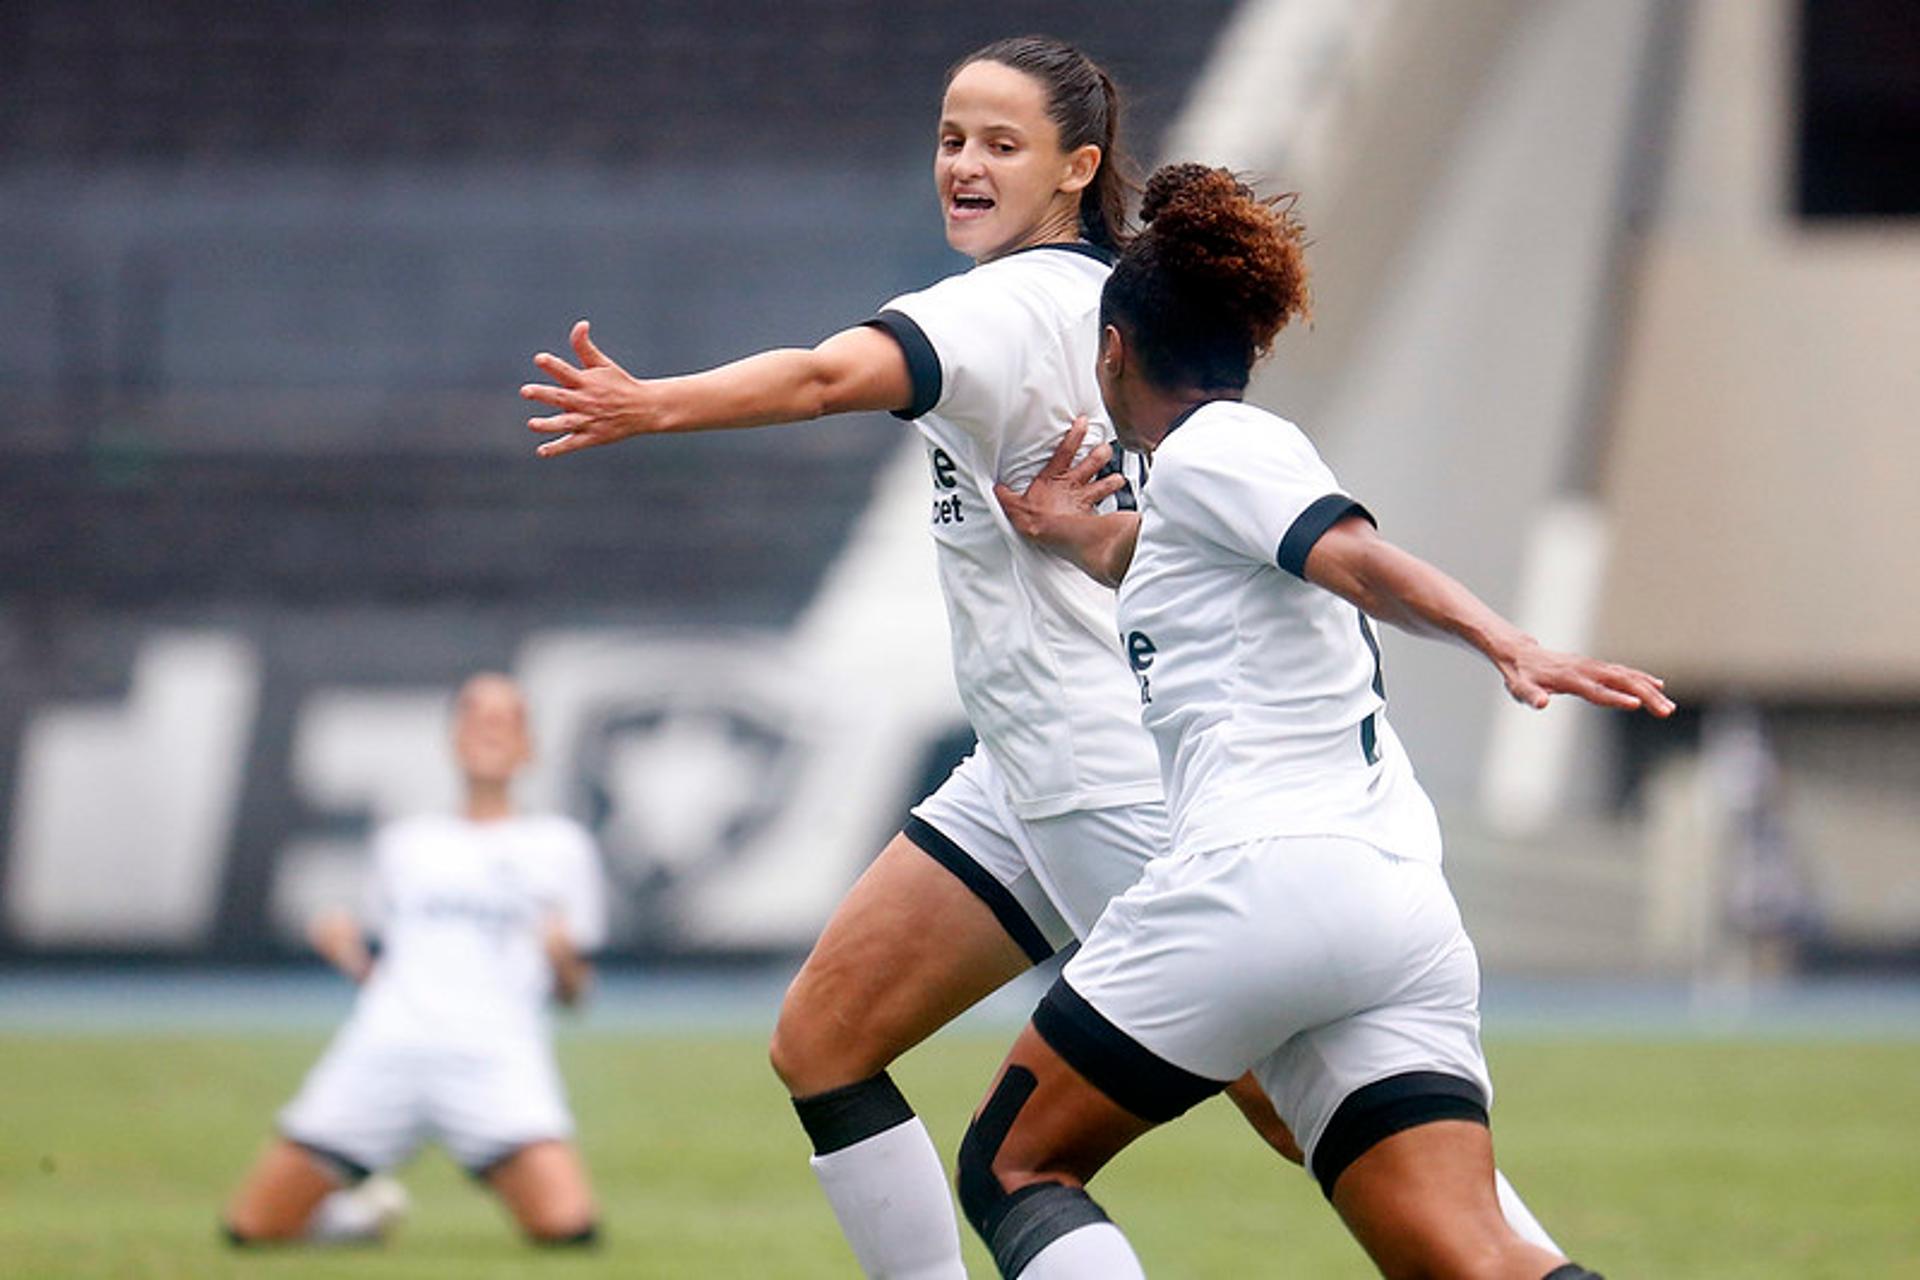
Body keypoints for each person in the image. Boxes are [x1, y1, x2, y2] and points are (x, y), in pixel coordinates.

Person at [520, 36, 1560, 1278]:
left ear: (1079, 166)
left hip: (1112, 778)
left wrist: (655, 404)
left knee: (1305, 1122)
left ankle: (1516, 1254)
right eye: (952, 138)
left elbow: (820, 378)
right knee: (826, 1037)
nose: (963, 164)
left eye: (999, 144)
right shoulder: (1117, 302)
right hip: (1026, 769)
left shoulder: (998, 305)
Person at [962, 164, 1674, 1279]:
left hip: (1259, 877)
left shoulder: (1223, 448)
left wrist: (1508, 639)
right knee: (1472, 1252)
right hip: (1392, 903)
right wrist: (1071, 532)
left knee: (1014, 1162)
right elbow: (1158, 557)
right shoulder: (1200, 499)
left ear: (1111, 354)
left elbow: (1356, 559)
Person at [222, 673, 606, 1248]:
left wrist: (561, 961)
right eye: (477, 717)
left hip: (494, 1058)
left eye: (508, 719)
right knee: (252, 1230)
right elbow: (394, 975)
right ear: (453, 737)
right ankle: (349, 1223)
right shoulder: (406, 844)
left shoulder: (560, 847)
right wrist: (348, 954)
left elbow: (576, 996)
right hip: (387, 1048)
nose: (490, 730)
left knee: (567, 1230)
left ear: (530, 746)